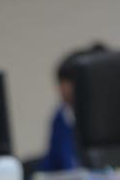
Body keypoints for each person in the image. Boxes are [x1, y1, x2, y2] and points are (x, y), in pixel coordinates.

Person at [38, 42, 108, 172]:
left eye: (67, 83)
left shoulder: (111, 121)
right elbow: (49, 168)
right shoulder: (62, 116)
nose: (61, 90)